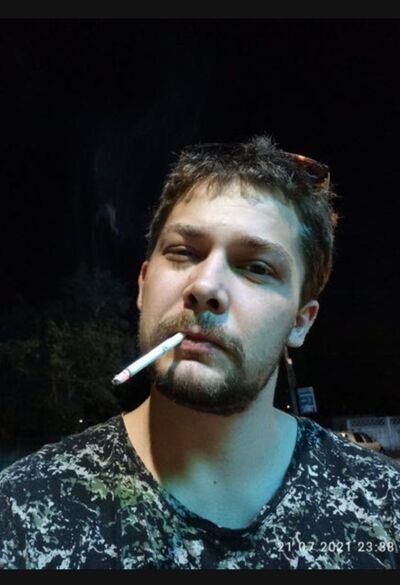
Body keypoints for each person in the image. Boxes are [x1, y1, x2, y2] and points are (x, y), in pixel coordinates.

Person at [1, 135, 399, 570]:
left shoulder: (384, 506)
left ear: (301, 321)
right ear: (143, 284)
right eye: (184, 252)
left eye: (257, 267)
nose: (206, 286)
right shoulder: (21, 512)